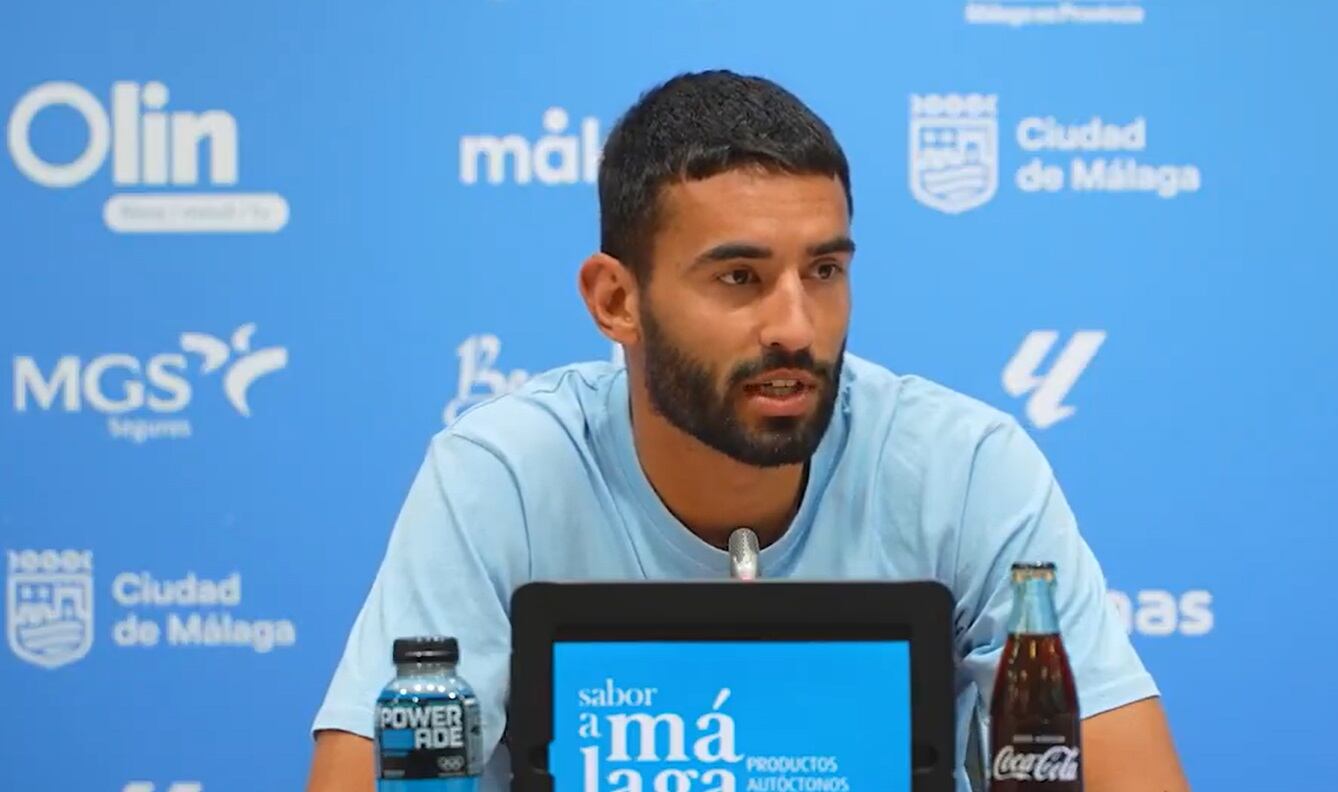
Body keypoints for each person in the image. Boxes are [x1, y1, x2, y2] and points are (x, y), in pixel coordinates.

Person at [304, 69, 1188, 792]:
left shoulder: (966, 468)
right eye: (739, 278)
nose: (797, 328)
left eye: (826, 269)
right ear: (617, 300)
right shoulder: (499, 476)